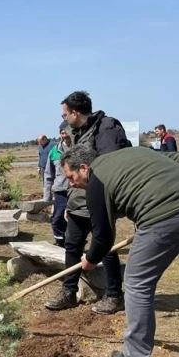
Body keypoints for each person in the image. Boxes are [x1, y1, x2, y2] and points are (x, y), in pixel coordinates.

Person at [61, 145, 179, 357]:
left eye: (71, 177)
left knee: (137, 283)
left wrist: (89, 260)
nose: (71, 184)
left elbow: (103, 238)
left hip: (164, 218)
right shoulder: (134, 154)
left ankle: (135, 355)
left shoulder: (97, 178)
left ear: (83, 167)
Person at [45, 90, 131, 314]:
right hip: (77, 202)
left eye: (65, 115)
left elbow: (109, 165)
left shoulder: (106, 128)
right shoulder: (76, 133)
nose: (64, 119)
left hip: (98, 200)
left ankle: (114, 295)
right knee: (71, 245)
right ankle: (69, 292)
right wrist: (70, 201)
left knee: (105, 246)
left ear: (75, 112)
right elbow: (73, 170)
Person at [43, 122, 73, 247]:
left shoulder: (79, 148)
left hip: (78, 190)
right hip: (60, 191)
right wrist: (47, 196)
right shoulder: (54, 151)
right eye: (62, 132)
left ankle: (73, 243)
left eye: (66, 131)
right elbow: (48, 175)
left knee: (74, 219)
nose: (64, 134)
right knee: (57, 220)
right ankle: (60, 243)